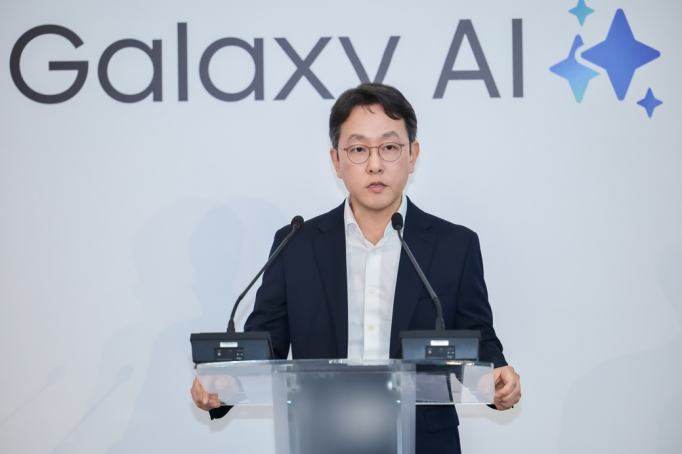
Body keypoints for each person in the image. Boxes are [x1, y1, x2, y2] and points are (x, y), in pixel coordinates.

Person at [191, 83, 521, 453]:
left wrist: (497, 377)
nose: (375, 164)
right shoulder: (296, 244)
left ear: (412, 155)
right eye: (359, 149)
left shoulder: (455, 245)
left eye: (390, 147)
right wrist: (227, 383)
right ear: (336, 160)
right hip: (321, 439)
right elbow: (266, 347)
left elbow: (479, 340)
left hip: (424, 442)